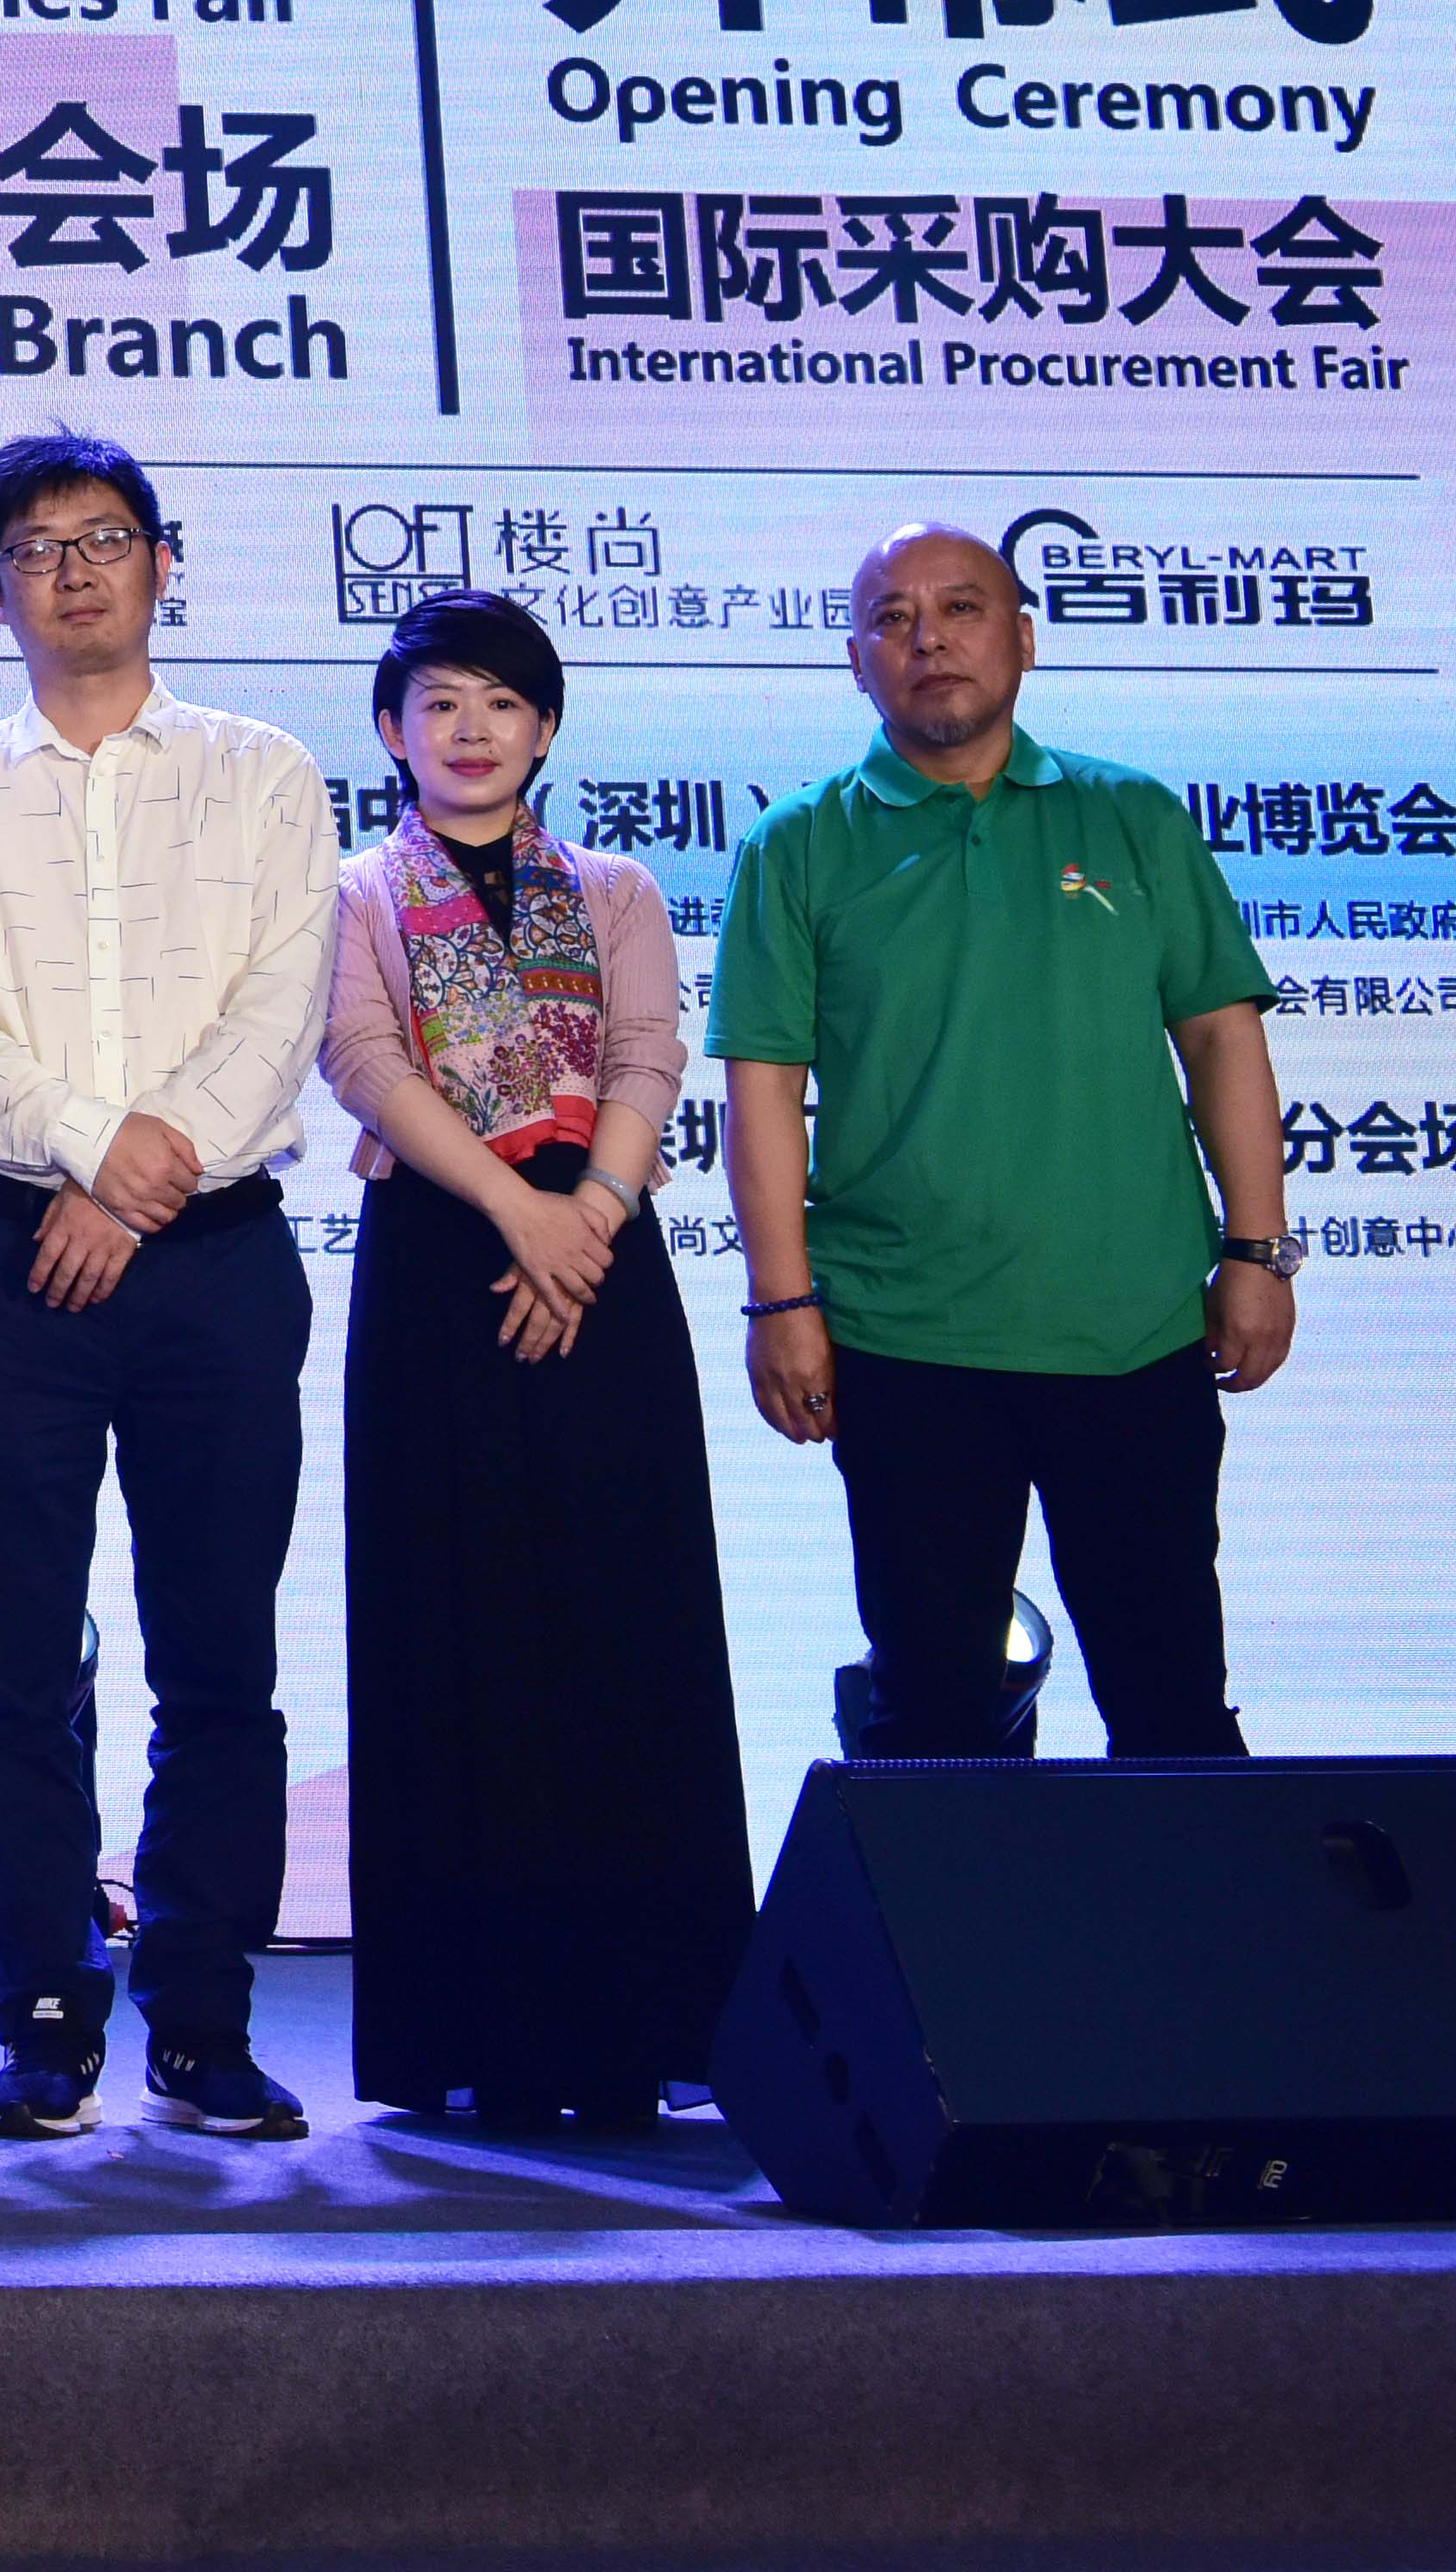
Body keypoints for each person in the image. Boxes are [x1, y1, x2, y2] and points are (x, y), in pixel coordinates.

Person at [0, 430, 335, 2147]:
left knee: (218, 1661)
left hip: (216, 1263)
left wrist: (134, 1190)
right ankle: (46, 2019)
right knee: (8, 1667)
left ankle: (203, 2022)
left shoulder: (261, 771)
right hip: (6, 1257)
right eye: (34, 547)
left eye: (102, 538)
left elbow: (280, 1005)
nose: (71, 571)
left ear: (162, 561)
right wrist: (88, 1156)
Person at [717, 525, 1294, 1763]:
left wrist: (1256, 1250)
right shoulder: (799, 843)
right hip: (902, 1335)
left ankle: (1187, 1904)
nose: (928, 639)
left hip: (1134, 1326)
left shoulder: (1132, 816)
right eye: (893, 618)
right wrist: (781, 1302)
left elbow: (1220, 1039)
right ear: (856, 661)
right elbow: (761, 1090)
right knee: (933, 1719)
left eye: (962, 608)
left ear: (1024, 638)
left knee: (1172, 1703)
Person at [318, 585, 746, 2122]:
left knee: (625, 1620)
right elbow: (362, 1059)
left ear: (546, 730)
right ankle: (476, 2040)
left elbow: (646, 1055)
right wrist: (520, 1213)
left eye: (502, 702)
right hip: (442, 1265)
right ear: (392, 732)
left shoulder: (614, 888)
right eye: (439, 703)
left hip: (605, 1263)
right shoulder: (357, 891)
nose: (471, 729)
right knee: (458, 1623)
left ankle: (648, 2027)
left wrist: (591, 1220)